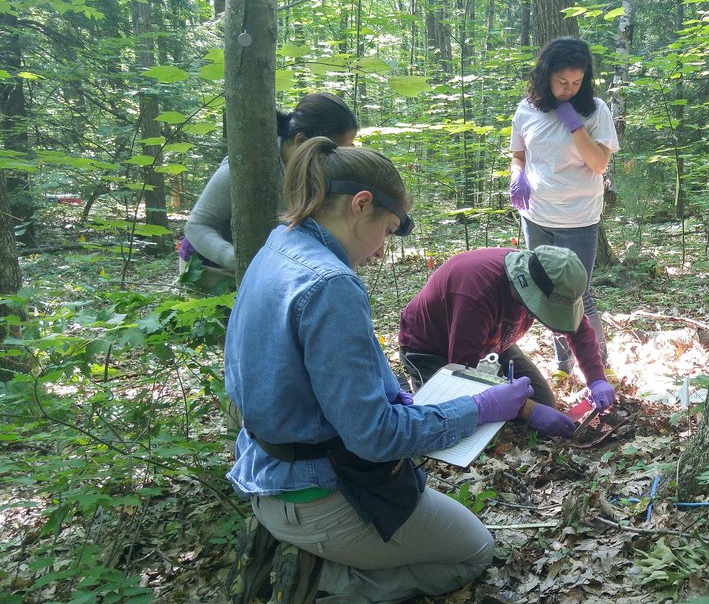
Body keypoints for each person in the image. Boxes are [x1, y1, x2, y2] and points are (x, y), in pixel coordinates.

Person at [223, 137, 533, 603]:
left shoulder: (279, 245)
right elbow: (375, 438)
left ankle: (315, 557)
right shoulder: (331, 284)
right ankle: (325, 583)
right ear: (360, 204)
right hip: (319, 495)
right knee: (474, 551)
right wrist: (480, 408)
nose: (380, 251)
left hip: (265, 474)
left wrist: (394, 397)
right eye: (387, 230)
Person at [396, 245, 617, 439]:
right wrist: (529, 410)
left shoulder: (547, 274)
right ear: (529, 291)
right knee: (451, 421)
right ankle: (403, 391)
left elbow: (578, 328)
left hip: (496, 343)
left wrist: (597, 379)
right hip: (432, 349)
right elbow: (465, 376)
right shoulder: (476, 294)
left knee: (543, 403)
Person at [508, 37, 618, 375]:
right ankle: (563, 365)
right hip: (536, 215)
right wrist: (517, 176)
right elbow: (518, 155)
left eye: (577, 82)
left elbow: (599, 163)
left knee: (577, 295)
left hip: (578, 218)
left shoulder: (595, 110)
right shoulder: (527, 109)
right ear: (546, 76)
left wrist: (575, 125)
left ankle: (599, 368)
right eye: (562, 82)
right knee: (546, 292)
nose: (569, 89)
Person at [180, 92, 359, 292]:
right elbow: (196, 226)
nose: (339, 159)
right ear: (301, 141)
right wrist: (239, 260)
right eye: (333, 152)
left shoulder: (316, 171)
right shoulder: (244, 169)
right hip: (209, 267)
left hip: (267, 266)